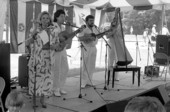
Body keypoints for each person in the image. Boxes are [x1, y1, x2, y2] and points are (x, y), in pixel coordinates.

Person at [28, 11, 53, 108]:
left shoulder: (52, 30)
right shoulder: (36, 29)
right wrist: (35, 27)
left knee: (46, 79)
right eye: (43, 18)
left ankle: (43, 100)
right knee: (35, 79)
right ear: (40, 20)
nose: (45, 20)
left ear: (49, 20)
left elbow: (52, 43)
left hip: (48, 57)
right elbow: (31, 39)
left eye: (47, 18)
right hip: (37, 57)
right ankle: (34, 101)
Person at [78, 15, 101, 88]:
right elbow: (80, 38)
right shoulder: (84, 28)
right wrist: (88, 37)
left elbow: (98, 36)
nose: (92, 22)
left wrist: (104, 33)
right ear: (87, 21)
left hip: (94, 47)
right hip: (86, 48)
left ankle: (89, 80)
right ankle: (83, 82)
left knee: (92, 65)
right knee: (85, 65)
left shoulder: (95, 28)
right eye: (90, 21)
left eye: (93, 20)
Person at [51, 9, 69, 97]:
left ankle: (61, 87)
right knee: (57, 70)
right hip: (56, 50)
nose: (63, 18)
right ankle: (55, 89)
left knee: (65, 68)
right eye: (61, 16)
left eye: (64, 16)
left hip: (63, 49)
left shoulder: (62, 27)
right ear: (56, 17)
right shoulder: (53, 26)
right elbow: (52, 38)